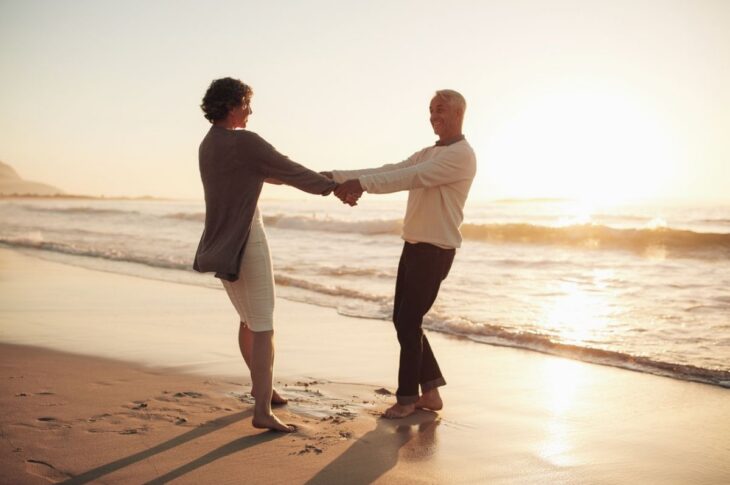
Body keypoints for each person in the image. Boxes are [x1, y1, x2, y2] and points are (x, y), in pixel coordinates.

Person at [193, 77, 348, 432]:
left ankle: (259, 387)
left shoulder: (208, 144)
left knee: (249, 319)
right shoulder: (244, 141)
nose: (250, 111)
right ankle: (262, 410)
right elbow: (286, 168)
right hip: (247, 239)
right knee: (263, 325)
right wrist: (333, 186)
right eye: (247, 103)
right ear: (233, 105)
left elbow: (268, 172)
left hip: (220, 244)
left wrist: (315, 180)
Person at [326, 89, 476, 419]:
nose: (433, 115)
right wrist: (337, 178)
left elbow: (407, 178)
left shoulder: (461, 155)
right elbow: (392, 168)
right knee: (403, 321)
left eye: (440, 109)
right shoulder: (428, 152)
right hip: (414, 245)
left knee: (409, 322)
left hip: (435, 251)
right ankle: (431, 393)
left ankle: (407, 398)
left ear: (457, 114)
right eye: (430, 110)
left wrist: (359, 185)